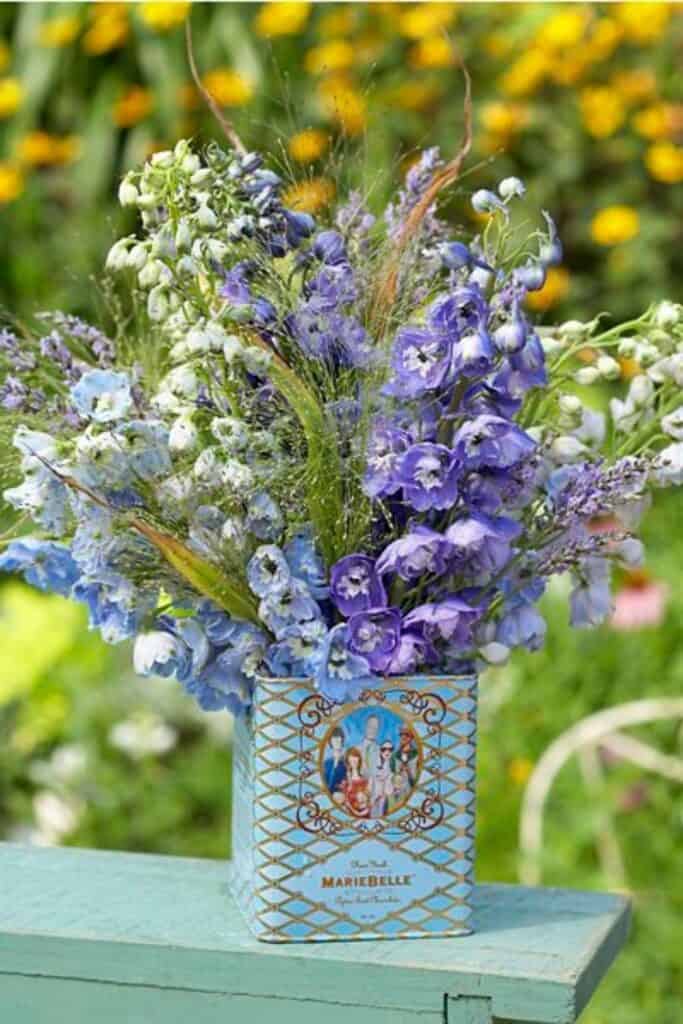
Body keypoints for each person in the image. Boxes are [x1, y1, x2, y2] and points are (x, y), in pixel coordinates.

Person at [391, 726, 419, 806]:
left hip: (411, 796)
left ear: (411, 738)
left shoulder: (416, 755)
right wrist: (398, 772)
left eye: (406, 735)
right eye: (401, 734)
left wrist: (408, 771)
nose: (403, 737)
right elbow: (392, 776)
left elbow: (418, 780)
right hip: (398, 794)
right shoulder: (395, 756)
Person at [340, 747, 370, 818]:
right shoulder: (345, 782)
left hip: (365, 814)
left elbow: (368, 801)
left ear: (359, 760)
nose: (354, 760)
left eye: (356, 757)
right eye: (351, 758)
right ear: (348, 761)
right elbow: (345, 801)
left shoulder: (365, 781)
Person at [371, 740, 395, 818]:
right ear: (380, 751)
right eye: (384, 749)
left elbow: (390, 790)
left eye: (390, 749)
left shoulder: (393, 766)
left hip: (387, 800)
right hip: (375, 799)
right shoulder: (375, 765)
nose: (387, 752)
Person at [323, 726, 347, 796]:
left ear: (342, 740)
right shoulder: (326, 764)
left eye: (339, 737)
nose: (337, 740)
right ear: (330, 741)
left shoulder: (347, 761)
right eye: (334, 738)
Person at [359, 714, 380, 781]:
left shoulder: (382, 751)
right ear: (365, 727)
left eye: (375, 727)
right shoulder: (356, 750)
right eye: (370, 726)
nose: (373, 730)